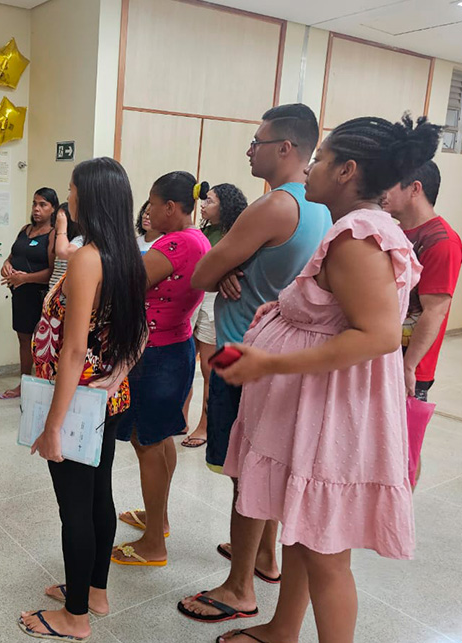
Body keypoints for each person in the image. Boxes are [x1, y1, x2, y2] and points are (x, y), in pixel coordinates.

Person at [213, 113, 441, 643]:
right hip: (312, 406)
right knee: (306, 529)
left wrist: (269, 362)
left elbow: (379, 335)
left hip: (331, 413)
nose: (310, 168)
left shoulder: (360, 237)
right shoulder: (353, 229)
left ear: (348, 170)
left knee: (327, 558)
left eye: (320, 159)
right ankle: (283, 628)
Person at [180, 104, 331, 623]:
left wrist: (226, 268)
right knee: (264, 462)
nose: (250, 149)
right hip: (276, 352)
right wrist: (237, 267)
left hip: (236, 348)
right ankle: (265, 557)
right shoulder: (322, 205)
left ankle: (238, 586)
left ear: (286, 147)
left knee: (243, 468)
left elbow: (202, 273)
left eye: (258, 140)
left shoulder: (272, 206)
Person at [19, 158, 147, 642]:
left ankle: (75, 617)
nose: (67, 198)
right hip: (107, 400)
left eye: (72, 191)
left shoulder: (88, 258)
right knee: (98, 495)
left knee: (74, 505)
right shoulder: (126, 254)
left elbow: (73, 351)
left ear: (87, 197)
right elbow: (140, 331)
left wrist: (53, 425)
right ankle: (94, 590)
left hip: (76, 401)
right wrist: (117, 375)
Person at [112, 172, 211, 566]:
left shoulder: (175, 242)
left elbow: (126, 284)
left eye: (152, 204)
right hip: (175, 346)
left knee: (147, 442)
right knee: (158, 439)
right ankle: (160, 518)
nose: (148, 211)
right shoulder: (198, 239)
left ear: (171, 207)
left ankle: (153, 543)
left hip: (154, 354)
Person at [382, 161, 461, 483]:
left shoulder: (441, 240)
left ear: (415, 189)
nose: (382, 192)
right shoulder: (393, 229)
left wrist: (409, 366)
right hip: (380, 353)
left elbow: (435, 310)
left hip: (407, 364)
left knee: (401, 454)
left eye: (391, 184)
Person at [182, 184, 249, 448]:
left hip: (214, 302)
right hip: (194, 299)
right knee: (187, 361)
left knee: (208, 368)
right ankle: (181, 417)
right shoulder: (203, 231)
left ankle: (204, 426)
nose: (204, 204)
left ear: (226, 205)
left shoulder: (236, 233)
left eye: (210, 200)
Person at [0, 188, 57, 399]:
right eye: (34, 204)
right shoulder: (25, 230)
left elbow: (52, 272)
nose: (37, 209)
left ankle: (43, 385)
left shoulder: (52, 235)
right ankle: (24, 382)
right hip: (20, 294)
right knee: (23, 340)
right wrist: (6, 265)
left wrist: (24, 278)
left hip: (39, 295)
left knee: (41, 343)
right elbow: (12, 256)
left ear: (53, 209)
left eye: (43, 205)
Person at [49, 202, 84, 291]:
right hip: (54, 296)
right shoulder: (61, 241)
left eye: (59, 220)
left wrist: (62, 228)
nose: (56, 224)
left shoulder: (80, 240)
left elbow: (63, 252)